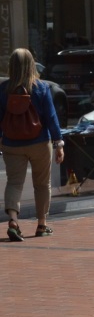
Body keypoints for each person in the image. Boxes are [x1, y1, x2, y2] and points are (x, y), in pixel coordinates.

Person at [2, 48, 63, 241]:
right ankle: (41, 224)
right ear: (31, 64)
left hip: (11, 143)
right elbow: (51, 118)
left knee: (14, 182)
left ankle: (13, 221)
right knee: (42, 184)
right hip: (39, 142)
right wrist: (59, 143)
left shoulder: (3, 90)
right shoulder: (41, 88)